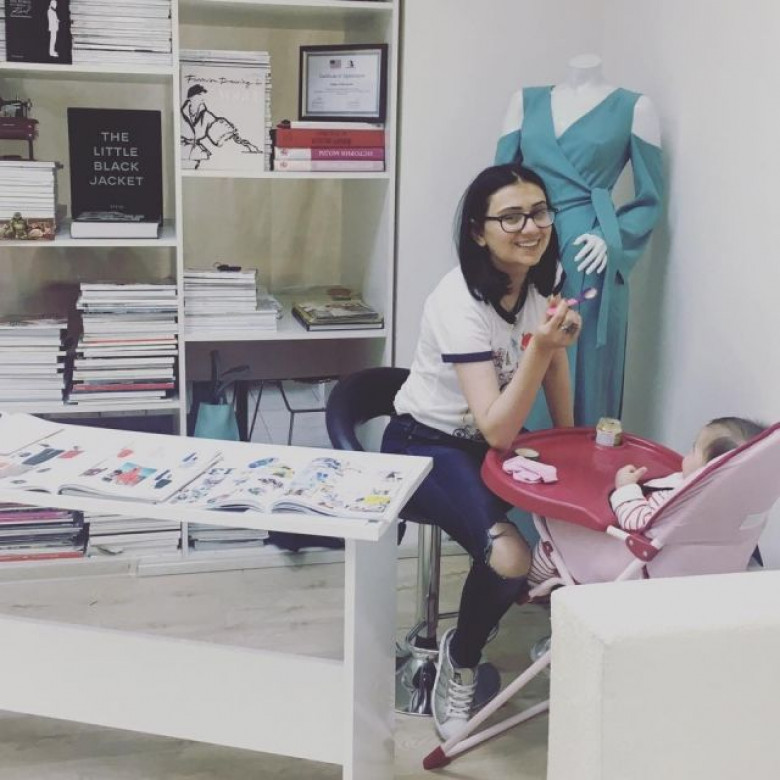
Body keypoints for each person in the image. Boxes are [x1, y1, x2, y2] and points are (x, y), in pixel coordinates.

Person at [381, 162, 582, 740]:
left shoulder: (544, 278)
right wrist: (540, 348)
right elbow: (497, 428)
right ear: (478, 230)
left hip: (487, 441)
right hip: (425, 443)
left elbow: (554, 363)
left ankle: (521, 632)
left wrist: (568, 441)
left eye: (539, 212)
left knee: (570, 523)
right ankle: (462, 658)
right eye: (511, 217)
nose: (530, 227)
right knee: (510, 558)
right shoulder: (458, 302)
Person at [495, 53, 664, 428]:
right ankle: (513, 450)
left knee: (583, 360)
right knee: (518, 347)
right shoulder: (524, 102)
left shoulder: (636, 108)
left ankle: (580, 454)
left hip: (589, 250)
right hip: (528, 243)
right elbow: (499, 184)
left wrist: (612, 237)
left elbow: (650, 199)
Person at [527, 416, 768, 587]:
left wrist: (626, 487)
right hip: (702, 577)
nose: (687, 454)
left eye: (694, 450)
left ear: (708, 471)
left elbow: (636, 520)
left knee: (554, 532)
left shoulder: (680, 504)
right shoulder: (742, 504)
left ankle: (535, 586)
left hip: (640, 572)